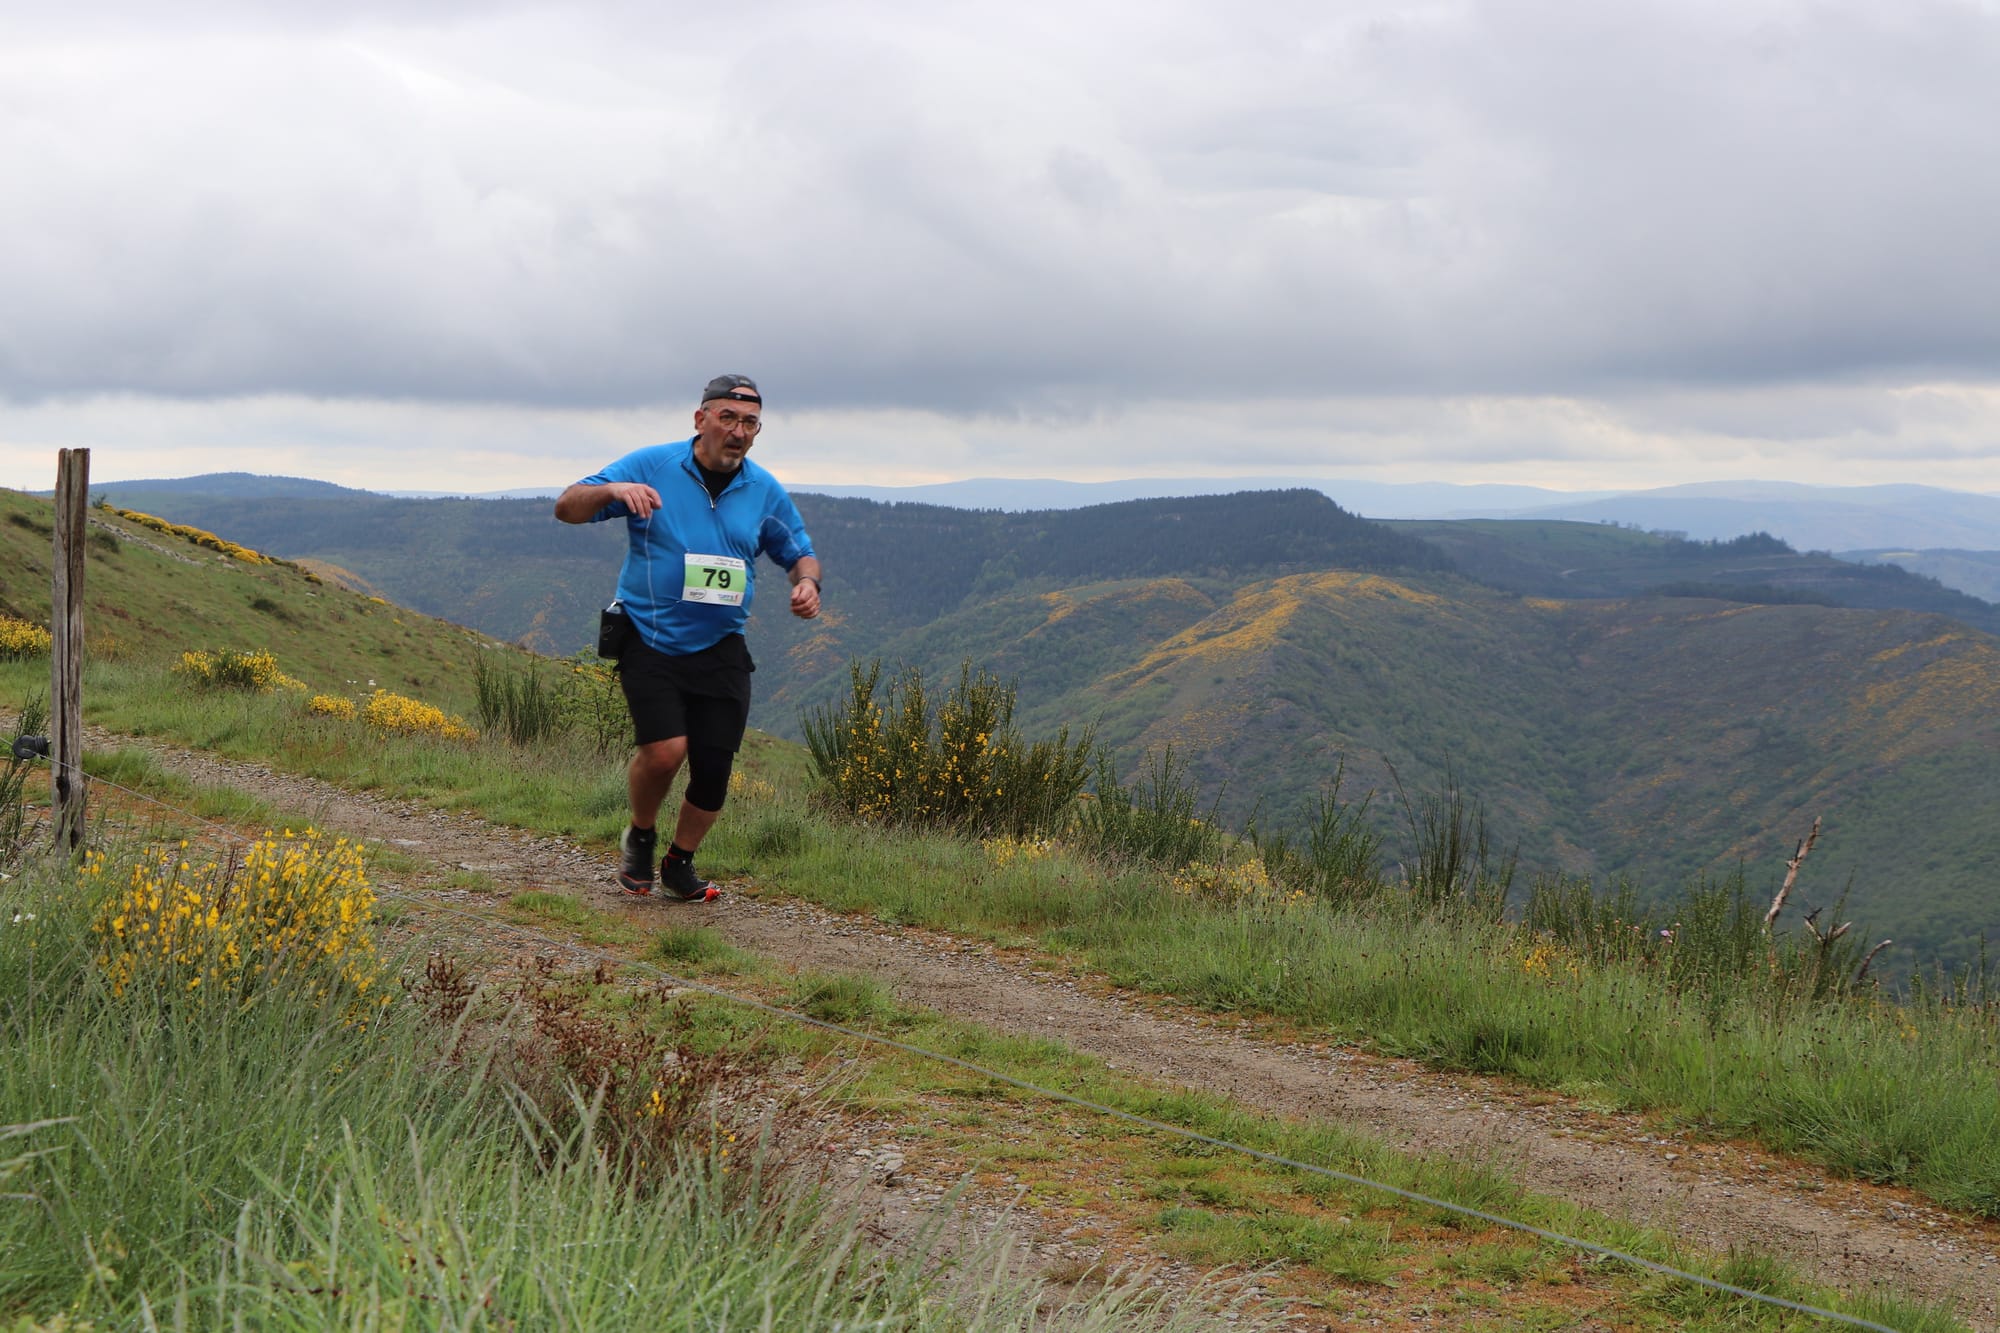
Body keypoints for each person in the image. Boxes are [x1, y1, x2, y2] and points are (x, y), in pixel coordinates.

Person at [555, 374, 821, 900]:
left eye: (750, 423)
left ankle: (679, 865)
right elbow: (567, 507)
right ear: (701, 420)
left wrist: (807, 584)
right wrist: (613, 490)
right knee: (665, 752)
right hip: (649, 634)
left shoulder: (763, 490)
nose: (738, 432)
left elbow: (799, 552)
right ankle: (641, 835)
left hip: (721, 642)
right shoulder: (653, 465)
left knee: (714, 768)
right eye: (728, 418)